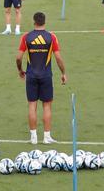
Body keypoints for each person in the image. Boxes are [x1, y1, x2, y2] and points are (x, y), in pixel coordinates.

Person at [16, 11, 67, 146]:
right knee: (47, 106)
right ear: (45, 22)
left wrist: (20, 70)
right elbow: (58, 58)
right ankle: (46, 137)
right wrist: (63, 73)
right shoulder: (51, 37)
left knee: (32, 105)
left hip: (31, 75)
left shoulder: (26, 37)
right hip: (46, 76)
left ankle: (33, 137)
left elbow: (18, 57)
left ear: (34, 22)